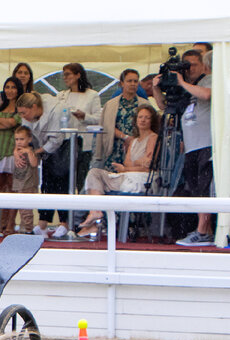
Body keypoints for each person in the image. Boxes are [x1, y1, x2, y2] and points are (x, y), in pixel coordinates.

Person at [154, 48, 214, 246]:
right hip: (191, 145)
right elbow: (165, 107)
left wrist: (181, 81)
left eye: (192, 65)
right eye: (185, 66)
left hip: (207, 142)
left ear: (203, 65)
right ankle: (205, 230)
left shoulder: (209, 79)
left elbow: (207, 95)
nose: (188, 70)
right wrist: (157, 88)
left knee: (204, 188)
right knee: (196, 188)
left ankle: (203, 232)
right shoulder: (187, 87)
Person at [76, 105, 159, 239]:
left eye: (147, 118)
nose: (143, 120)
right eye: (140, 117)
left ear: (152, 121)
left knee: (100, 180)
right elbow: (129, 163)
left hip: (142, 179)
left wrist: (129, 168)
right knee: (94, 173)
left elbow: (148, 166)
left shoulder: (153, 138)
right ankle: (95, 212)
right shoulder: (133, 140)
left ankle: (97, 222)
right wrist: (135, 163)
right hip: (128, 175)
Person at [15, 91, 68, 237]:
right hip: (43, 149)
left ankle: (64, 223)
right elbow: (28, 135)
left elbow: (57, 140)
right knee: (46, 186)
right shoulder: (27, 117)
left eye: (24, 113)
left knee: (61, 186)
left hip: (64, 147)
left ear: (33, 107)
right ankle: (43, 223)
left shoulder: (56, 109)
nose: (22, 117)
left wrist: (35, 152)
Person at [57, 62, 102, 192]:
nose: (65, 78)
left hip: (84, 144)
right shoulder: (61, 95)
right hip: (65, 143)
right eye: (63, 75)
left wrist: (84, 116)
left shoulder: (92, 95)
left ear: (78, 75)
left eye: (68, 75)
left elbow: (98, 118)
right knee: (65, 180)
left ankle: (83, 210)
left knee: (81, 180)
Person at [0, 76, 25, 235]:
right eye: (7, 87)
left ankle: (10, 224)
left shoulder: (21, 110)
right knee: (0, 188)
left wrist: (0, 122)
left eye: (13, 87)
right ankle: (0, 224)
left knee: (13, 189)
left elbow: (13, 123)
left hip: (13, 152)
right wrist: (5, 121)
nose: (10, 90)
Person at [96, 69, 145, 175]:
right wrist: (125, 137)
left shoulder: (144, 104)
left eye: (135, 81)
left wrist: (133, 140)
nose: (132, 84)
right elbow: (106, 125)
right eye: (129, 81)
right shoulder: (110, 104)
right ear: (122, 83)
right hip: (114, 149)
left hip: (137, 150)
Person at [9, 125, 40, 235]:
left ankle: (28, 229)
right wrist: (15, 152)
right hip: (19, 183)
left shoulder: (30, 150)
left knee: (26, 208)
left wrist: (28, 152)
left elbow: (34, 163)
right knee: (21, 209)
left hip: (28, 184)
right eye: (17, 139)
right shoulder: (16, 150)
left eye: (22, 139)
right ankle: (23, 227)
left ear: (29, 139)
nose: (19, 142)